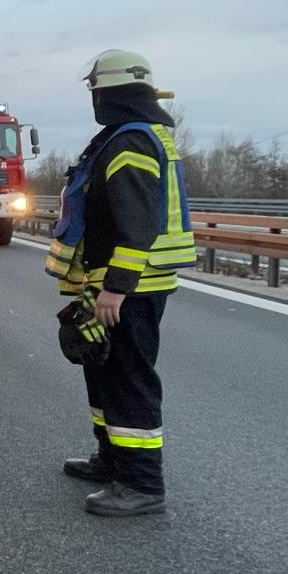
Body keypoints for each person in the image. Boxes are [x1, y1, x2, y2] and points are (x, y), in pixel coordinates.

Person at [44, 50, 197, 516]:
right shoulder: (120, 138)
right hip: (110, 283)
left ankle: (141, 484)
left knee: (128, 378)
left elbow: (139, 222)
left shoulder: (130, 143)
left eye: (95, 91)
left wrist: (116, 287)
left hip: (129, 288)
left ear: (107, 94)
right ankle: (112, 460)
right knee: (102, 370)